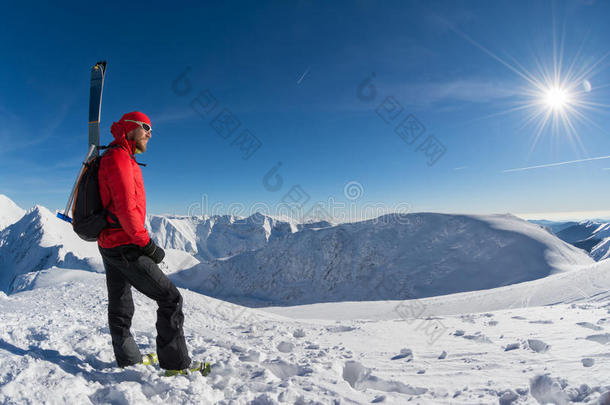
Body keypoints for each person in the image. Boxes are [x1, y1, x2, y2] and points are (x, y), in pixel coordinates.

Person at [97, 111, 194, 374]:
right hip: (125, 245)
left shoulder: (119, 157)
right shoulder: (119, 159)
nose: (150, 134)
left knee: (120, 302)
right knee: (171, 298)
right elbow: (127, 211)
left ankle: (128, 361)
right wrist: (148, 245)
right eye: (146, 127)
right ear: (130, 129)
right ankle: (176, 366)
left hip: (109, 243)